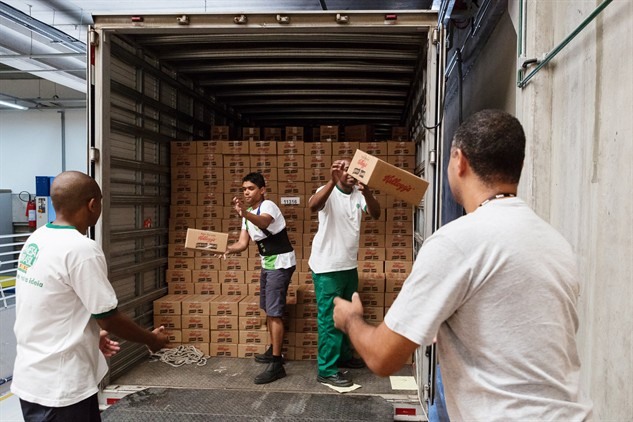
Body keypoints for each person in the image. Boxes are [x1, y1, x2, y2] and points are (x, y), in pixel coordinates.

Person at [332, 109, 593, 419]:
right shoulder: (555, 242)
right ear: (518, 166)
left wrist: (351, 320)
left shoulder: (456, 242)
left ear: (459, 160)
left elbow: (381, 357)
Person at [12, 171, 169, 422]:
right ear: (92, 204)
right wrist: (151, 339)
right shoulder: (81, 249)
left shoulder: (36, 239)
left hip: (31, 379)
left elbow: (51, 304)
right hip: (62, 387)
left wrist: (90, 334)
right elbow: (109, 318)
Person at [308, 159, 381, 387]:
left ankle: (344, 357)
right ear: (338, 172)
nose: (351, 174)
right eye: (346, 170)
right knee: (330, 319)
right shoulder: (327, 191)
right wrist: (332, 180)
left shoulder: (359, 195)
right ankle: (327, 369)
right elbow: (313, 206)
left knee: (349, 315)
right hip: (328, 267)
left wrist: (367, 190)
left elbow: (376, 214)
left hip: (348, 266)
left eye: (355, 170)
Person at [225, 172, 296, 384]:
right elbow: (242, 244)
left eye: (251, 188)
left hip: (281, 263)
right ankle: (273, 349)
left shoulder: (268, 207)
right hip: (268, 264)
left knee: (274, 312)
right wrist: (225, 249)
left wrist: (244, 214)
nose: (246, 192)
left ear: (262, 190)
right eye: (244, 188)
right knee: (268, 308)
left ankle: (276, 363)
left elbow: (264, 223)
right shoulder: (247, 215)